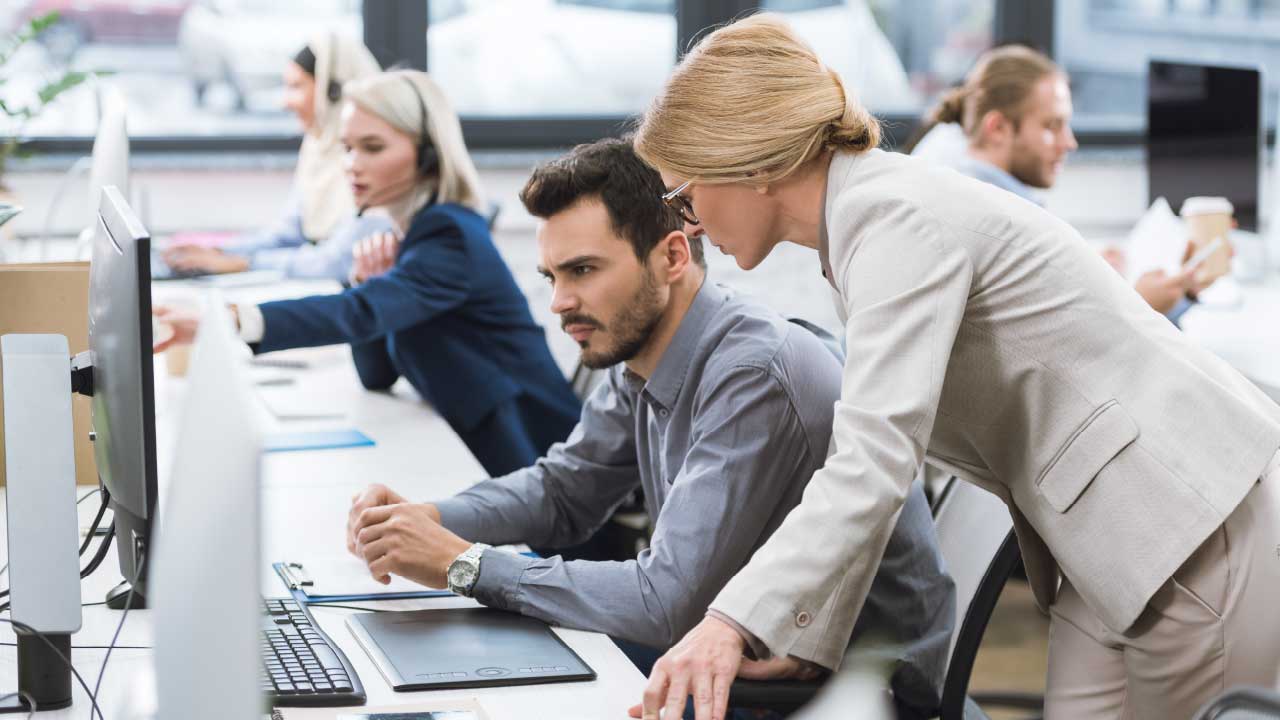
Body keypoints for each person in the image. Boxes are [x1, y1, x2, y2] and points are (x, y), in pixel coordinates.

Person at [629, 13, 1280, 720]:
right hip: (1113, 547)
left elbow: (871, 464)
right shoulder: (864, 224)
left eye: (684, 195)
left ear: (751, 164)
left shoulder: (893, 221)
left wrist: (733, 622)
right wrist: (805, 631)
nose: (687, 223)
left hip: (1189, 523)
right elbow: (881, 466)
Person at [343, 137, 955, 719]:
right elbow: (564, 493)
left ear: (672, 257)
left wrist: (465, 564)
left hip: (844, 695)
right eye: (551, 277)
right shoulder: (641, 349)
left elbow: (665, 602)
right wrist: (426, 520)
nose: (558, 302)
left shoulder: (751, 374)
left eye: (582, 270)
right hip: (730, 657)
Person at [155, 70, 580, 478]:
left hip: (539, 467)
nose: (352, 165)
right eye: (347, 147)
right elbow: (376, 374)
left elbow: (357, 313)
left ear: (428, 155)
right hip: (482, 451)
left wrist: (230, 322)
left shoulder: (449, 234)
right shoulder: (411, 234)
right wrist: (371, 287)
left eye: (373, 147)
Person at [909, 45, 1223, 325]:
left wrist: (1091, 271)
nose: (1069, 142)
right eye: (1052, 126)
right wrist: (1142, 307)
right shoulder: (997, 222)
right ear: (998, 128)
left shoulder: (953, 169)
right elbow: (1066, 346)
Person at [162, 34, 391, 281]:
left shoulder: (373, 162)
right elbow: (286, 233)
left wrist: (245, 263)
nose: (285, 102)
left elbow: (333, 262)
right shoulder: (317, 148)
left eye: (296, 87)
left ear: (332, 91)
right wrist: (221, 252)